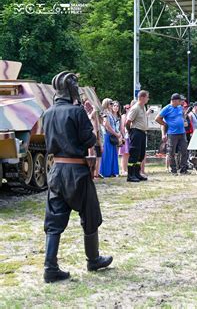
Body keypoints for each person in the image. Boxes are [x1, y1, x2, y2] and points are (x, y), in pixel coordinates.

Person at [42, 71, 112, 283]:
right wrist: (90, 120)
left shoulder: (47, 113)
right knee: (90, 214)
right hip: (76, 172)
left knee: (54, 220)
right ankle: (93, 259)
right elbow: (89, 139)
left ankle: (50, 267)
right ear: (71, 88)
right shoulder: (76, 111)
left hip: (56, 172)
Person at [155, 93, 189, 175]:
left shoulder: (179, 107)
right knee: (171, 152)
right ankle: (173, 170)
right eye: (179, 100)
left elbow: (182, 116)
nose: (181, 102)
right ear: (174, 101)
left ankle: (183, 169)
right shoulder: (167, 108)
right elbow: (157, 118)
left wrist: (184, 121)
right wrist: (165, 124)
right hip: (172, 133)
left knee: (184, 151)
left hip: (182, 132)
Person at [125, 90, 149, 182]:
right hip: (136, 132)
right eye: (147, 97)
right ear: (142, 97)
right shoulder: (135, 108)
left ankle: (137, 173)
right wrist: (130, 132)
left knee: (141, 154)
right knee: (134, 154)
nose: (148, 99)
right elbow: (128, 122)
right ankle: (130, 175)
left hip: (142, 133)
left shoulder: (143, 107)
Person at [100, 100, 121, 177]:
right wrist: (115, 133)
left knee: (112, 154)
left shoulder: (110, 113)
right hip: (107, 135)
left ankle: (112, 171)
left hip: (111, 135)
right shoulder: (105, 113)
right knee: (107, 154)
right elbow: (106, 125)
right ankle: (106, 172)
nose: (112, 105)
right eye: (111, 104)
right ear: (107, 104)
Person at [119, 103, 132, 176]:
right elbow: (122, 128)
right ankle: (123, 170)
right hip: (125, 136)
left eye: (129, 108)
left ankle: (126, 169)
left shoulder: (130, 116)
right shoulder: (123, 116)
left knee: (128, 154)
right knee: (125, 154)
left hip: (129, 136)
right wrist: (124, 137)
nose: (128, 109)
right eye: (126, 108)